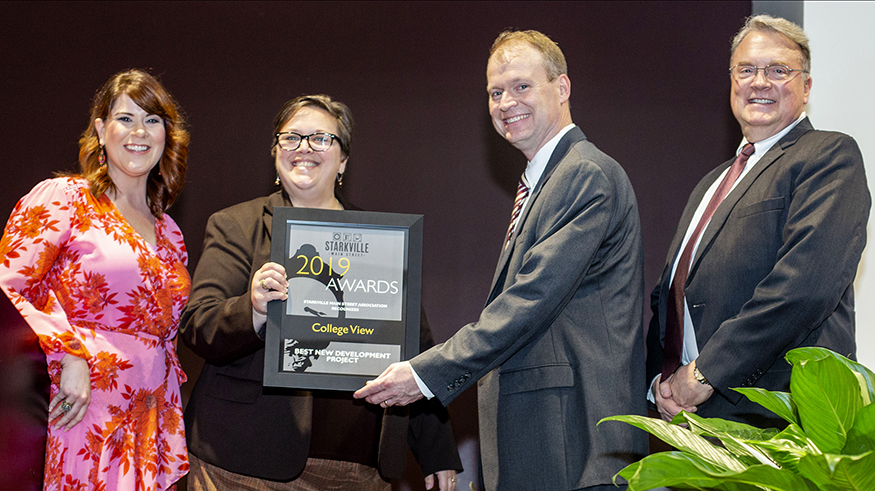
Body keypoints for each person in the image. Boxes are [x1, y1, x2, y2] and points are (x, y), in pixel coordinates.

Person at [355, 30, 647, 491]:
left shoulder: (584, 175)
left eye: (521, 86)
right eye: (495, 92)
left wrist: (425, 373)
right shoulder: (546, 180)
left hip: (575, 442)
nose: (506, 102)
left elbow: (531, 300)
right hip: (547, 439)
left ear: (563, 87)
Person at [180, 94, 462, 491]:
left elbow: (411, 347)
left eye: (320, 139)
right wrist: (254, 309)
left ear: (343, 159)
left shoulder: (380, 239)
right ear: (276, 153)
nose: (303, 149)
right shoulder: (236, 225)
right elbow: (198, 325)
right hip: (245, 463)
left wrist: (436, 449)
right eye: (291, 138)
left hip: (357, 469)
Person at [645, 15, 871, 427]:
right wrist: (661, 381)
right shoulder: (710, 184)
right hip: (699, 419)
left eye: (778, 71)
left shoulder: (829, 156)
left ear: (806, 87)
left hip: (781, 419)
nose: (759, 82)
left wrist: (704, 373)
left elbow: (803, 288)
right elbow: (670, 294)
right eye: (746, 70)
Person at [0, 69, 191, 490]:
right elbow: (8, 286)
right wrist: (68, 353)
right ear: (102, 130)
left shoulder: (170, 232)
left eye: (153, 120)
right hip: (85, 410)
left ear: (166, 136)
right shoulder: (65, 197)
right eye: (126, 118)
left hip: (150, 417)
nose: (139, 131)